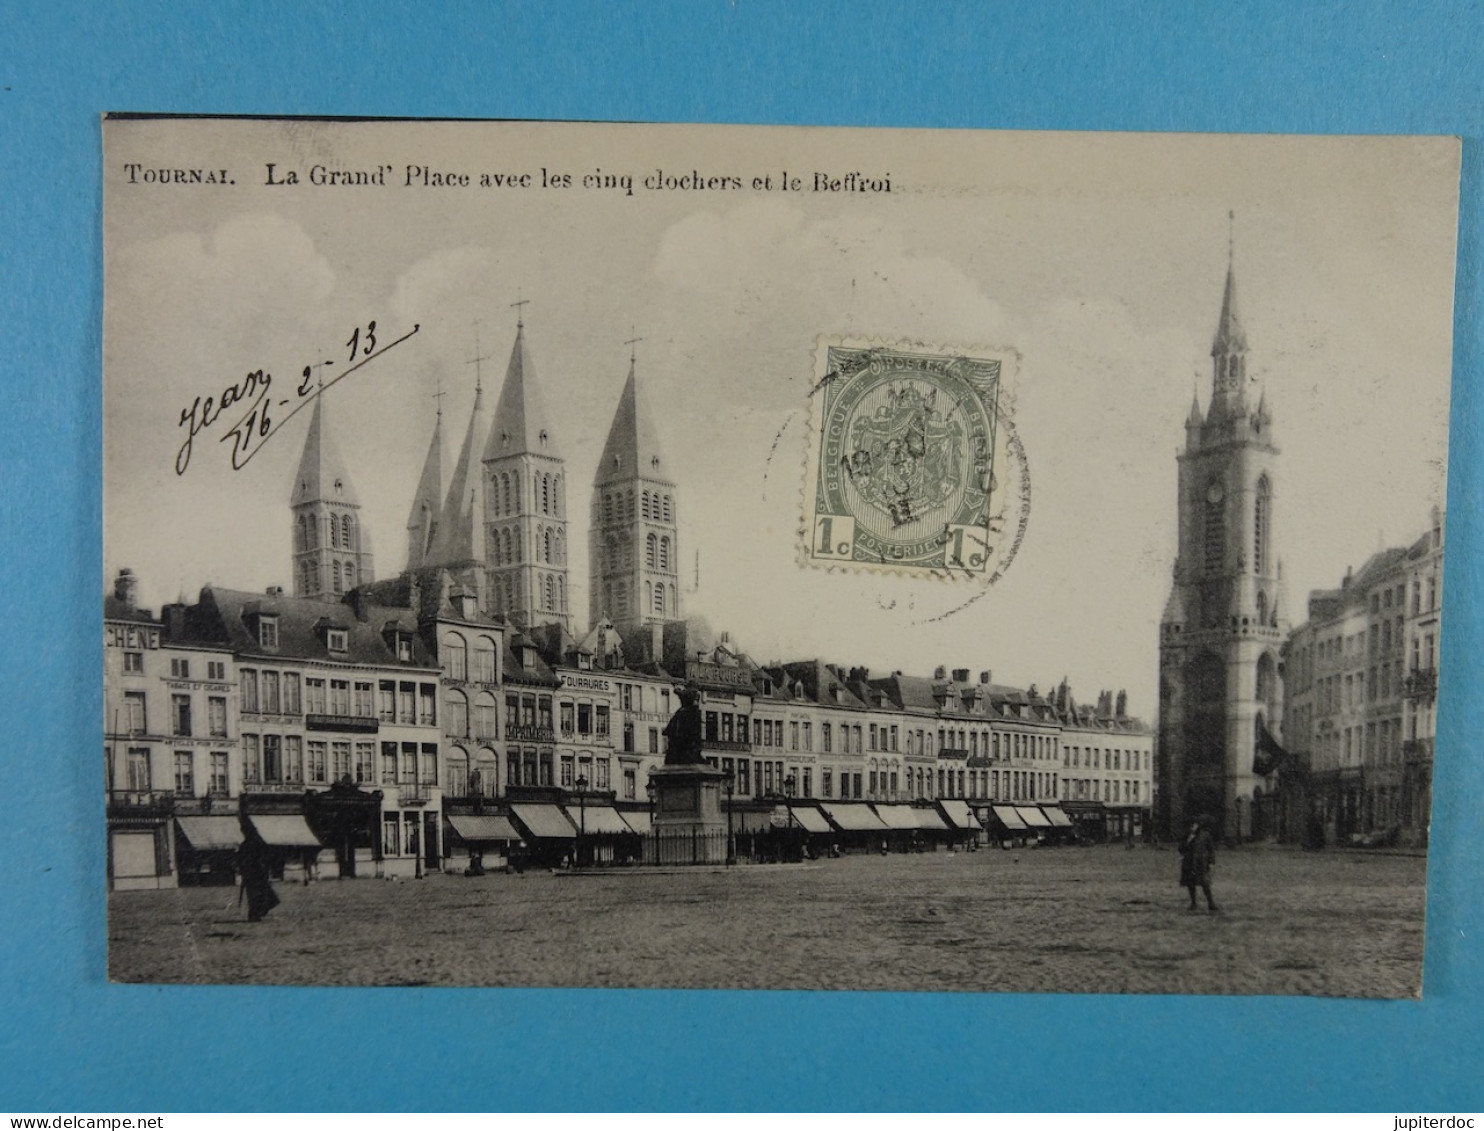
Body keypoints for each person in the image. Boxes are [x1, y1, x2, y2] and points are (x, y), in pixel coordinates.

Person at [1178, 818, 1218, 912]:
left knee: (1205, 883)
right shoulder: (1186, 835)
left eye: (1194, 825)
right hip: (1189, 863)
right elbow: (1180, 849)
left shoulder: (1205, 835)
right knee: (1190, 884)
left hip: (1201, 863)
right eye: (1191, 826)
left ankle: (1211, 903)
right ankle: (1193, 903)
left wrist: (1211, 862)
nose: (1192, 827)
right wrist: (1188, 841)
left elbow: (1211, 849)